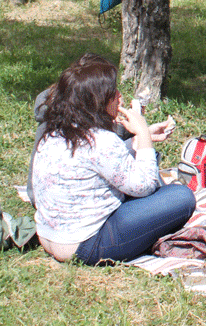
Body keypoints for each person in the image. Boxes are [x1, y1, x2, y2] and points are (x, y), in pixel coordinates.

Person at [31, 55, 195, 264]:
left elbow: (100, 162)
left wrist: (139, 140)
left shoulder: (55, 133)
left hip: (49, 237)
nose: (120, 98)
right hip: (86, 245)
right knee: (181, 196)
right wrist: (143, 133)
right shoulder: (102, 141)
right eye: (113, 94)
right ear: (98, 102)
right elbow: (145, 186)